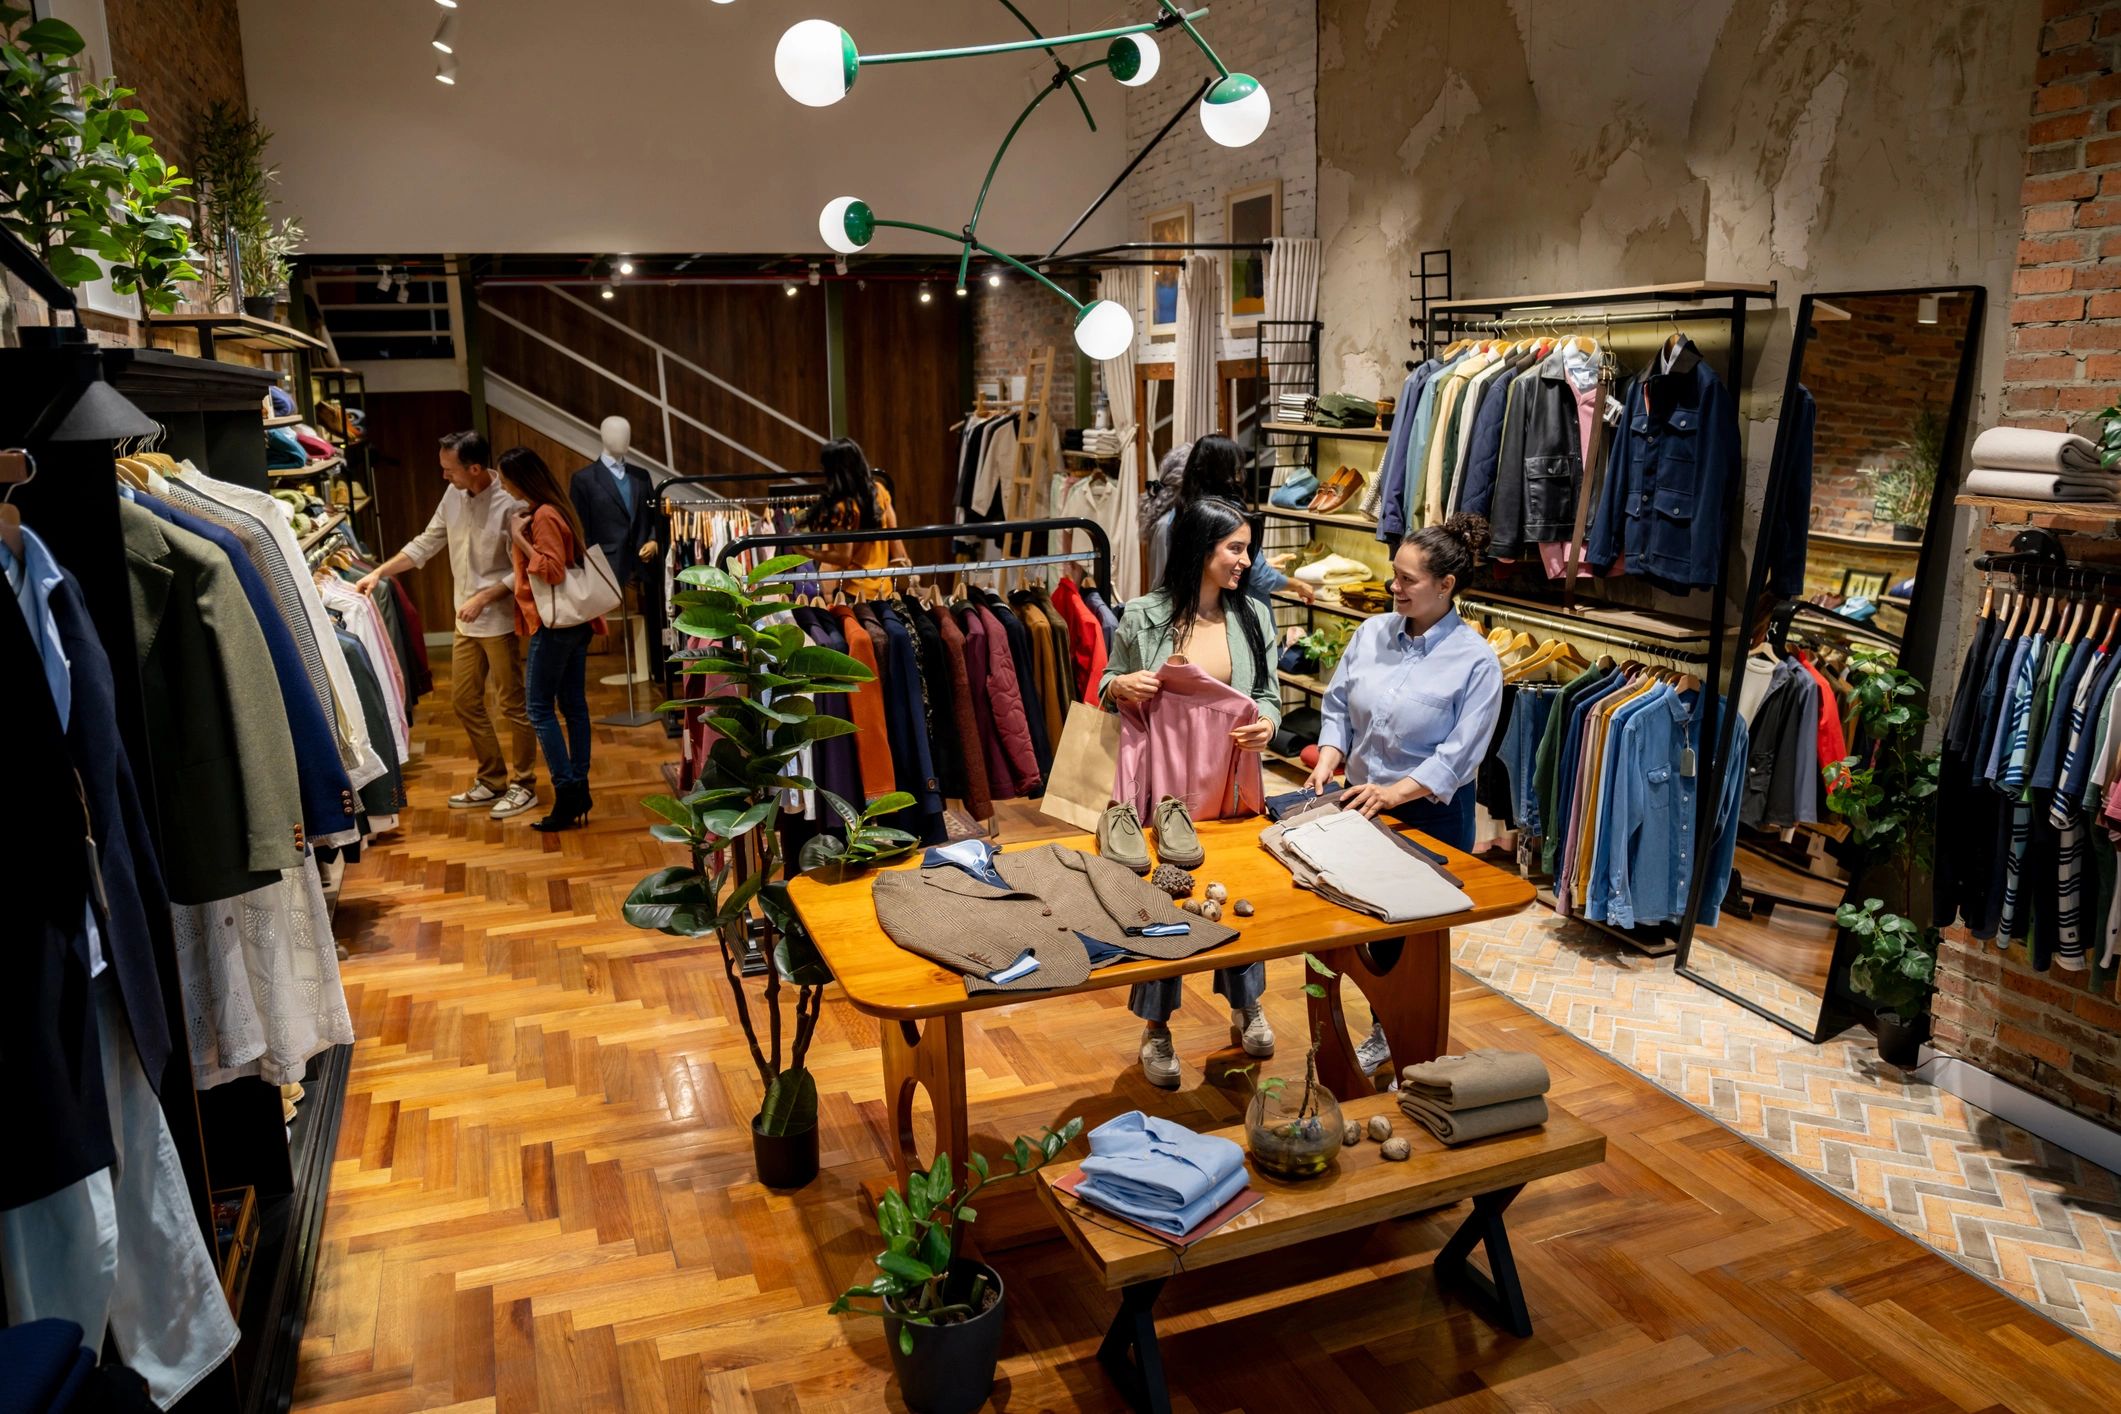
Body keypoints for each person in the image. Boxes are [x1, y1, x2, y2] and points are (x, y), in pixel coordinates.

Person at [1304, 512, 1504, 1073]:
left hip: (1432, 815)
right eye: (1394, 574)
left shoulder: (1477, 662)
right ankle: (1354, 1024)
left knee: (1410, 944)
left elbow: (1459, 755)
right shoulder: (1371, 634)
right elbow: (1339, 705)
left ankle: (1398, 1036)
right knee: (1352, 921)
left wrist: (1393, 795)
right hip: (1357, 805)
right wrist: (1330, 756)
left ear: (1446, 586)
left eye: (1408, 580)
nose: (1394, 587)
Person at [1099, 497, 1282, 1089]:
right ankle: (1156, 1026)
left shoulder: (1253, 616)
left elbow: (1272, 695)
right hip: (1162, 784)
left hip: (1230, 782)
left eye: (1246, 548)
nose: (1245, 561)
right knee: (1163, 906)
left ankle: (1246, 1001)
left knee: (1234, 896)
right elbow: (1104, 685)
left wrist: (1270, 725)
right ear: (1201, 550)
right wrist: (1120, 683)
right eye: (1235, 548)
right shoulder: (1143, 617)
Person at [357, 430, 538, 819]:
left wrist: (484, 597)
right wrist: (380, 573)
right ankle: (492, 779)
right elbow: (427, 542)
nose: (443, 476)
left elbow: (521, 571)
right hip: (464, 618)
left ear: (474, 468)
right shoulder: (453, 495)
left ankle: (525, 784)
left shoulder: (511, 503)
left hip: (500, 620)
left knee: (512, 704)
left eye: (449, 469)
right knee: (464, 702)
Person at [498, 447, 606, 832]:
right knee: (573, 706)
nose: (501, 483)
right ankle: (579, 786)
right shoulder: (553, 509)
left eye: (504, 477)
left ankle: (567, 792)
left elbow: (552, 570)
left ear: (519, 479)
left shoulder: (543, 516)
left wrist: (519, 538)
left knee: (539, 708)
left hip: (557, 627)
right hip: (575, 624)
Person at [1143, 434, 1314, 604]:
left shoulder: (1180, 512)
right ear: (1224, 469)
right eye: (1236, 467)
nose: (1239, 474)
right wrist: (1296, 585)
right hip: (1235, 607)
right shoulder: (1230, 513)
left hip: (1192, 606)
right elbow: (1260, 576)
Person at [804, 437, 908, 595]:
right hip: (884, 588)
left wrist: (804, 551)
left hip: (854, 591)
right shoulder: (879, 491)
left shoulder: (839, 508)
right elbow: (897, 544)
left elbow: (843, 557)